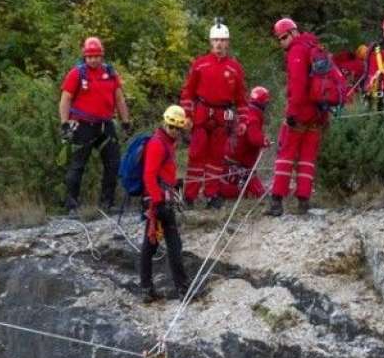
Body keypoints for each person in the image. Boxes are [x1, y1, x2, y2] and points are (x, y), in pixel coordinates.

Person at [179, 20, 248, 209]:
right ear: (210, 42)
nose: (219, 44)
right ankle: (189, 196)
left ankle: (211, 194)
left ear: (228, 42)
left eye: (222, 40)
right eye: (215, 40)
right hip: (202, 113)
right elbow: (188, 92)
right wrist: (187, 114)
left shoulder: (235, 68)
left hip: (223, 115)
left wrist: (243, 120)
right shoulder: (200, 65)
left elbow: (241, 99)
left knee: (217, 158)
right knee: (196, 155)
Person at [266, 18, 331, 216]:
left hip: (301, 112)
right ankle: (304, 201)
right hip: (318, 113)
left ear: (293, 33)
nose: (282, 42)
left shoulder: (296, 50)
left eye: (284, 37)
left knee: (285, 156)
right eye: (279, 39)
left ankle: (277, 202)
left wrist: (291, 113)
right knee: (307, 159)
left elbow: (298, 85)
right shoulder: (314, 46)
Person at [59, 36, 131, 214]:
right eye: (90, 56)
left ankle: (107, 203)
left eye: (96, 56)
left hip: (105, 124)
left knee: (113, 163)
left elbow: (119, 98)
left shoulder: (110, 73)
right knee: (77, 165)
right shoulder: (77, 74)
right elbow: (65, 99)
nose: (93, 59)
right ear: (85, 56)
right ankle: (72, 205)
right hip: (82, 124)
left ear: (102, 56)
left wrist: (125, 121)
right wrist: (64, 123)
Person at [140, 105, 193, 304]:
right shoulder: (157, 143)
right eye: (172, 127)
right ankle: (181, 289)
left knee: (153, 246)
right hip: (157, 203)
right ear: (165, 123)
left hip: (161, 199)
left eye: (177, 128)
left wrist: (173, 183)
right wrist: (158, 200)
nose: (174, 131)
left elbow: (163, 172)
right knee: (169, 245)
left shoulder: (167, 142)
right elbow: (149, 175)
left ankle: (148, 289)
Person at [219, 86, 271, 199]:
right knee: (258, 193)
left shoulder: (244, 113)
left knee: (231, 185)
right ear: (263, 104)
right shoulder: (253, 118)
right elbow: (254, 139)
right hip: (238, 165)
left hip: (229, 161)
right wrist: (264, 141)